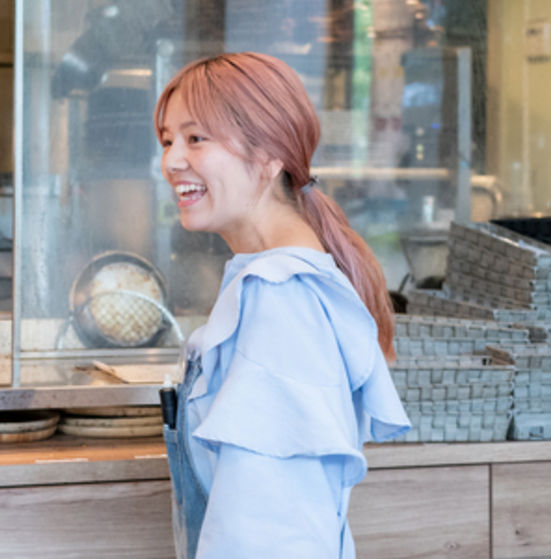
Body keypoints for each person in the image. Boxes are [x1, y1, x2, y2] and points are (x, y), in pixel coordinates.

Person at [154, 53, 410, 558]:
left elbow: (266, 529)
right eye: (167, 141)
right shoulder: (273, 279)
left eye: (196, 138)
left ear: (270, 157)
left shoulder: (282, 297)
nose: (171, 161)